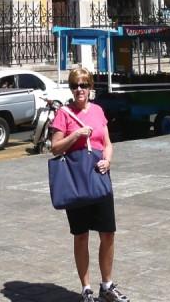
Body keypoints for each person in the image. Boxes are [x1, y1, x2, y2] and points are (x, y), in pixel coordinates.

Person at [50, 66, 129, 302]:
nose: (79, 90)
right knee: (81, 235)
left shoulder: (97, 111)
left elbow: (107, 142)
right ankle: (86, 289)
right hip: (76, 181)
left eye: (83, 85)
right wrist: (76, 135)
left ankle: (107, 285)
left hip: (98, 177)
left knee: (108, 233)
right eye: (75, 86)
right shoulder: (64, 114)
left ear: (91, 87)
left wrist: (108, 159)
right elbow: (54, 147)